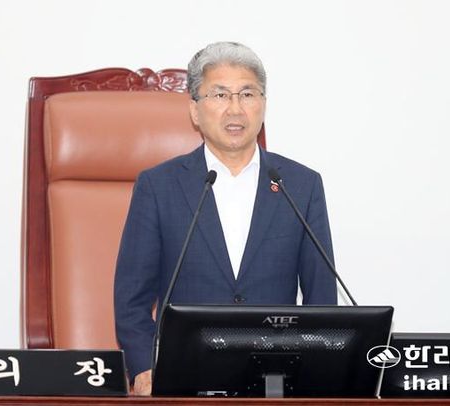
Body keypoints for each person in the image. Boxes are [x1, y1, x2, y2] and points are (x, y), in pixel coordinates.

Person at [114, 41, 337, 395]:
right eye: (219, 95)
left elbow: (322, 302)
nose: (235, 109)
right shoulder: (158, 186)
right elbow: (131, 301)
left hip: (276, 382)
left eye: (247, 94)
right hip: (182, 378)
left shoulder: (300, 186)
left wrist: (314, 374)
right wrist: (143, 368)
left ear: (263, 104)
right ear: (195, 110)